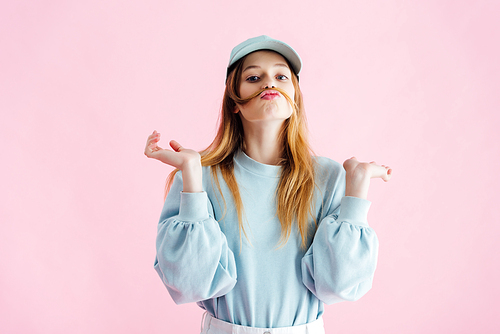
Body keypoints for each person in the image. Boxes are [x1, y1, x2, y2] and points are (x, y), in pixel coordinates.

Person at [144, 35, 392, 334]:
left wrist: (357, 192)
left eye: (281, 76)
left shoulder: (328, 176)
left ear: (295, 97)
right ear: (234, 102)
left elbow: (339, 286)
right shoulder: (198, 176)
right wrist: (193, 175)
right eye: (253, 77)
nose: (268, 84)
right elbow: (191, 284)